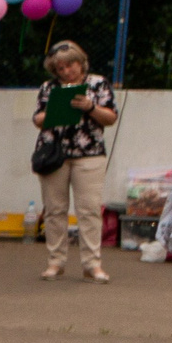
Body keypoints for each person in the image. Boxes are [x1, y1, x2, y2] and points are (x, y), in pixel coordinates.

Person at [31, 40, 119, 282]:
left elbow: (111, 117)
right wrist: (54, 111)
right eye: (60, 68)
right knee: (54, 209)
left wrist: (89, 107)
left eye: (70, 65)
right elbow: (37, 118)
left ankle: (92, 264)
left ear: (81, 63)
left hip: (89, 153)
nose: (66, 71)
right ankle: (55, 262)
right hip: (54, 154)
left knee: (89, 210)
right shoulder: (49, 88)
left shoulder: (98, 83)